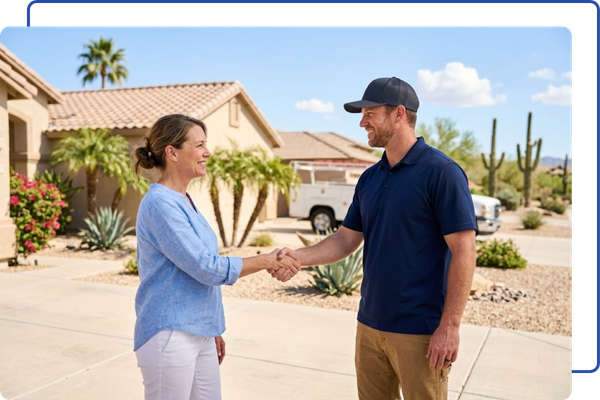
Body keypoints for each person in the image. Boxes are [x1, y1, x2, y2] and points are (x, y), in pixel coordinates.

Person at [274, 77, 477, 400]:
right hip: (369, 325)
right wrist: (298, 256)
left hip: (421, 331)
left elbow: (464, 250)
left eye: (370, 112)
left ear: (399, 114)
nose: (362, 121)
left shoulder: (442, 172)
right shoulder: (370, 178)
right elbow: (344, 240)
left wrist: (450, 326)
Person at [132, 113, 300, 400]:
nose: (207, 152)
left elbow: (197, 272)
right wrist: (266, 260)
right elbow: (205, 268)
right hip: (170, 333)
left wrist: (212, 330)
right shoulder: (160, 203)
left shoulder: (183, 200)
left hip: (199, 332)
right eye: (199, 145)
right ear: (172, 152)